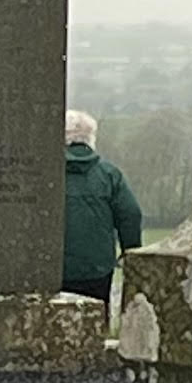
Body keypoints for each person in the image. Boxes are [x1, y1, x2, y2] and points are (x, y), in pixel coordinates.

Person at [64, 109, 142, 297]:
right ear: (91, 138)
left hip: (52, 268)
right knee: (97, 321)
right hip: (97, 268)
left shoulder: (43, 175)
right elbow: (130, 214)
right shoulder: (109, 175)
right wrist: (130, 253)